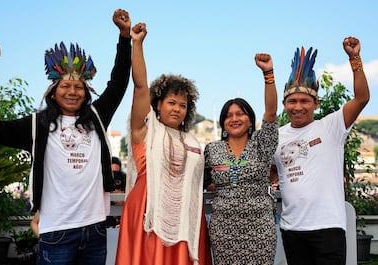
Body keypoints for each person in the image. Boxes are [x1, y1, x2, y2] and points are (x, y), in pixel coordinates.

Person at [0, 8, 132, 265]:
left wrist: (124, 37)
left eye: (79, 86)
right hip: (56, 232)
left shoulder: (97, 117)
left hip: (95, 229)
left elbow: (118, 82)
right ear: (53, 91)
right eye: (66, 86)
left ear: (86, 91)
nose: (73, 91)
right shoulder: (37, 124)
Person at [115, 22, 212, 265]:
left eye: (183, 105)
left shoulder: (192, 140)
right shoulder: (147, 130)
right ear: (158, 104)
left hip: (186, 217)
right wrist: (137, 44)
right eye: (171, 102)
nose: (177, 109)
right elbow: (139, 87)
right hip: (148, 212)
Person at [272, 36, 370, 265]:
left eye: (304, 100)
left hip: (328, 228)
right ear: (284, 104)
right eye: (292, 101)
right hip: (291, 229)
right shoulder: (277, 136)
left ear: (316, 103)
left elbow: (362, 98)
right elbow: (271, 172)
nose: (298, 107)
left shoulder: (331, 126)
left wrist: (354, 59)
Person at [203, 53, 279, 264]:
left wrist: (268, 74)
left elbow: (271, 113)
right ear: (223, 122)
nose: (234, 118)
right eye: (229, 115)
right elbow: (200, 181)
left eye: (240, 114)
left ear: (250, 120)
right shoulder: (211, 149)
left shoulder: (262, 144)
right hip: (223, 230)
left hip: (260, 229)